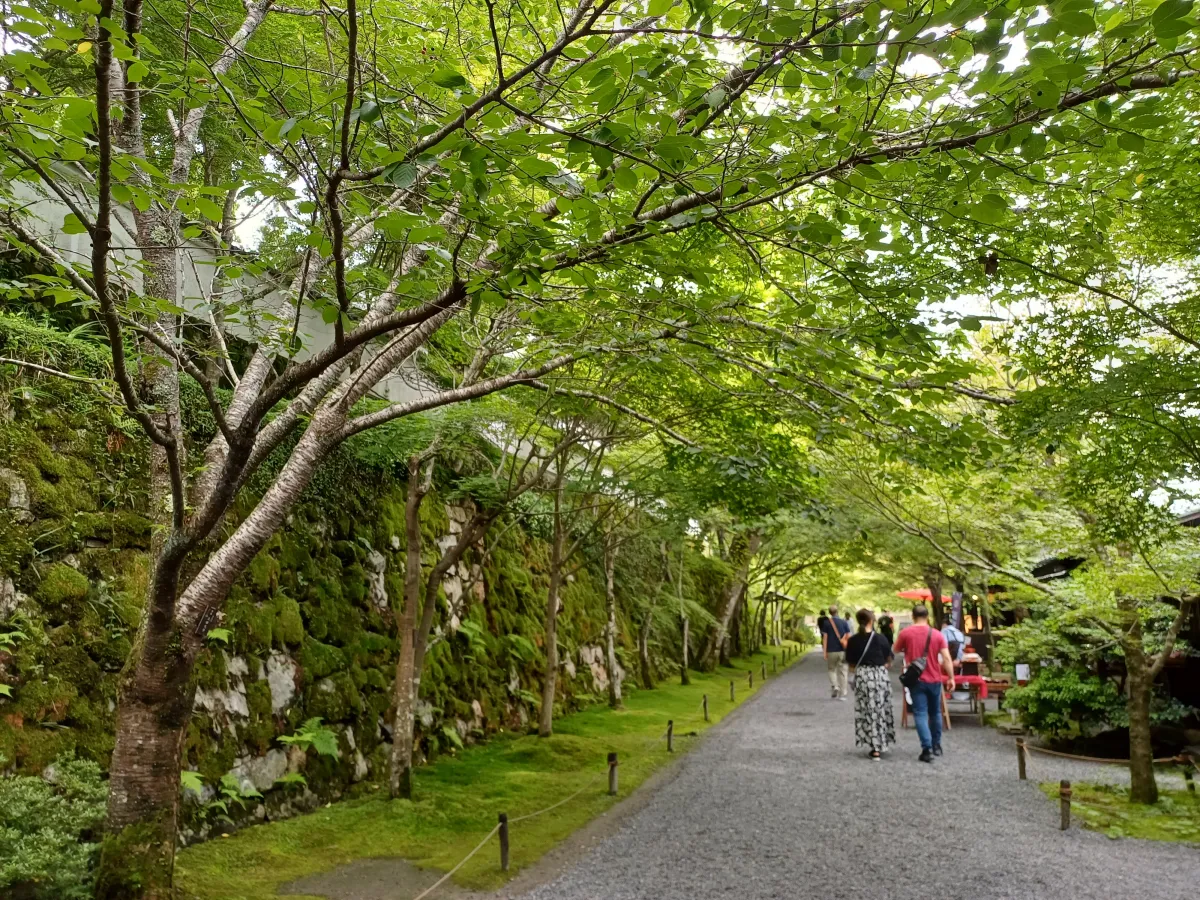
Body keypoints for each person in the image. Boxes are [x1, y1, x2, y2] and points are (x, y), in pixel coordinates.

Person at [893, 604, 955, 762]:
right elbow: (947, 658)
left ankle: (926, 749)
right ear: (928, 617)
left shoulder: (905, 633)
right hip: (935, 679)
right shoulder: (937, 634)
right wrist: (951, 677)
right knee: (935, 713)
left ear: (913, 617)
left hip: (916, 679)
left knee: (920, 713)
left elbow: (894, 650)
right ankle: (937, 746)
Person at [845, 609, 895, 761]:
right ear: (871, 621)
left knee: (867, 710)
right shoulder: (881, 639)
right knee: (880, 709)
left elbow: (851, 665)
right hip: (879, 676)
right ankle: (878, 746)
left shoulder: (853, 640)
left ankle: (872, 743)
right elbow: (888, 660)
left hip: (863, 676)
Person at [820, 603, 851, 699]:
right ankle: (843, 694)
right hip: (842, 650)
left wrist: (824, 652)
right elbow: (848, 637)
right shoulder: (844, 622)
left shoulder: (826, 623)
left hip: (831, 650)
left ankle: (835, 686)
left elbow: (825, 638)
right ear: (837, 612)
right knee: (843, 672)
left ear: (829, 612)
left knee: (831, 669)